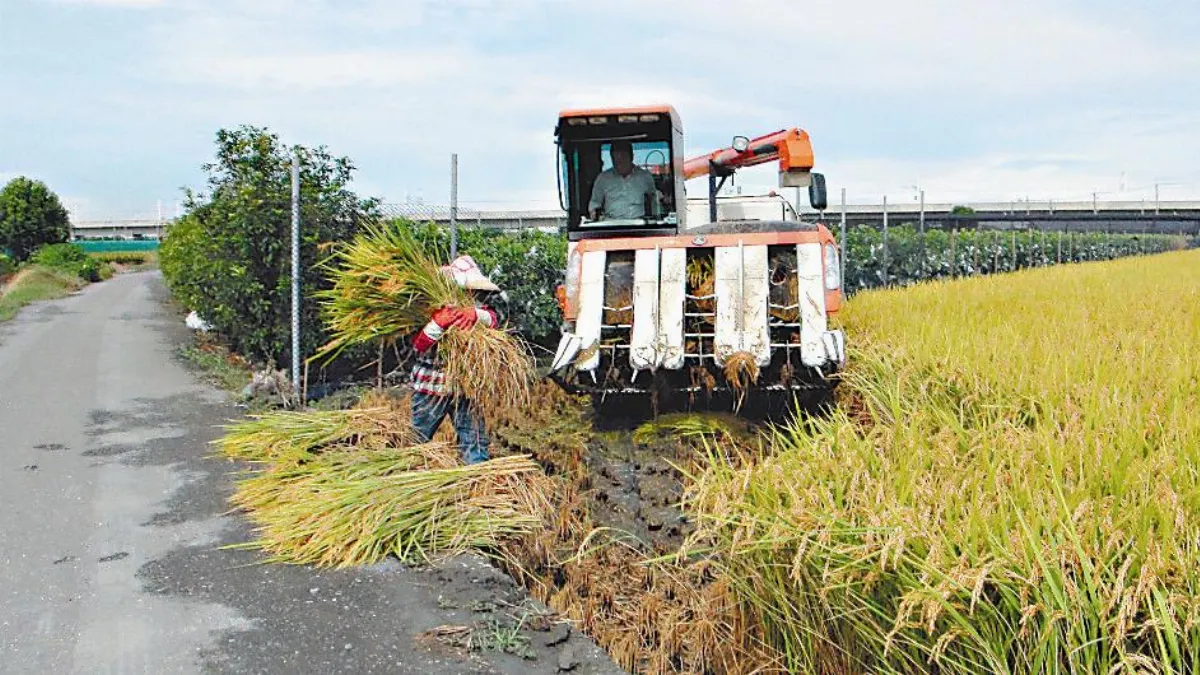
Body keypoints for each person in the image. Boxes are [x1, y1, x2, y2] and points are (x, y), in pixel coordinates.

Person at [409, 255, 503, 464]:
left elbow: (495, 320)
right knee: (418, 438)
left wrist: (475, 315)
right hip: (431, 388)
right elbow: (418, 346)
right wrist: (438, 323)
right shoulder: (427, 309)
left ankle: (479, 477)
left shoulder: (476, 309)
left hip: (466, 388)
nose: (471, 294)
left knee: (474, 441)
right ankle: (404, 473)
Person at [588, 139, 658, 221]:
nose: (619, 163)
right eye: (616, 160)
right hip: (611, 225)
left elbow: (654, 202)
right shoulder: (602, 179)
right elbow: (594, 205)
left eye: (623, 159)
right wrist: (597, 216)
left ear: (631, 157)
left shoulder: (645, 177)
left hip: (639, 224)